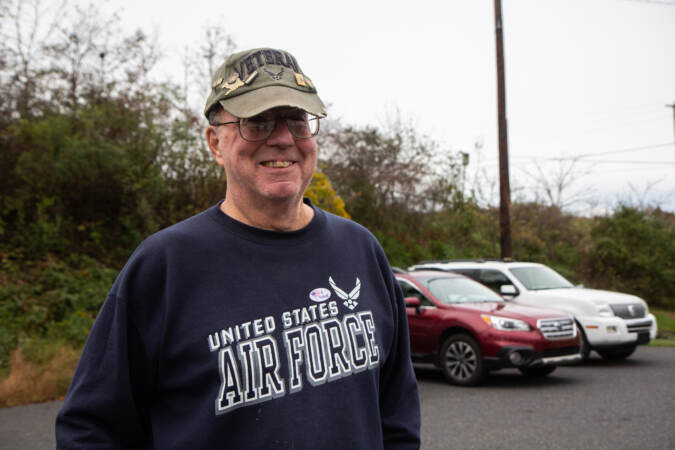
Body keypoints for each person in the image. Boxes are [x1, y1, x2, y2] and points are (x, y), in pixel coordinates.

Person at [55, 47, 421, 449]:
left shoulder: (360, 249)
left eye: (297, 120)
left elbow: (397, 410)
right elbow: (90, 430)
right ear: (215, 143)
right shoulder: (165, 266)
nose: (282, 138)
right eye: (257, 122)